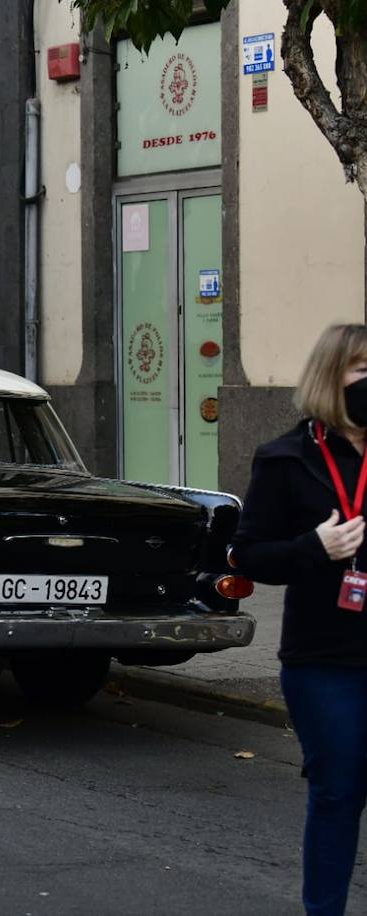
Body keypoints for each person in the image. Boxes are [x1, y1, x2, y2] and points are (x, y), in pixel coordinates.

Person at [233, 323, 367, 916]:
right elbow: (250, 555)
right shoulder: (285, 459)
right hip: (325, 662)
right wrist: (316, 548)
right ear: (331, 378)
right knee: (340, 792)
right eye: (364, 372)